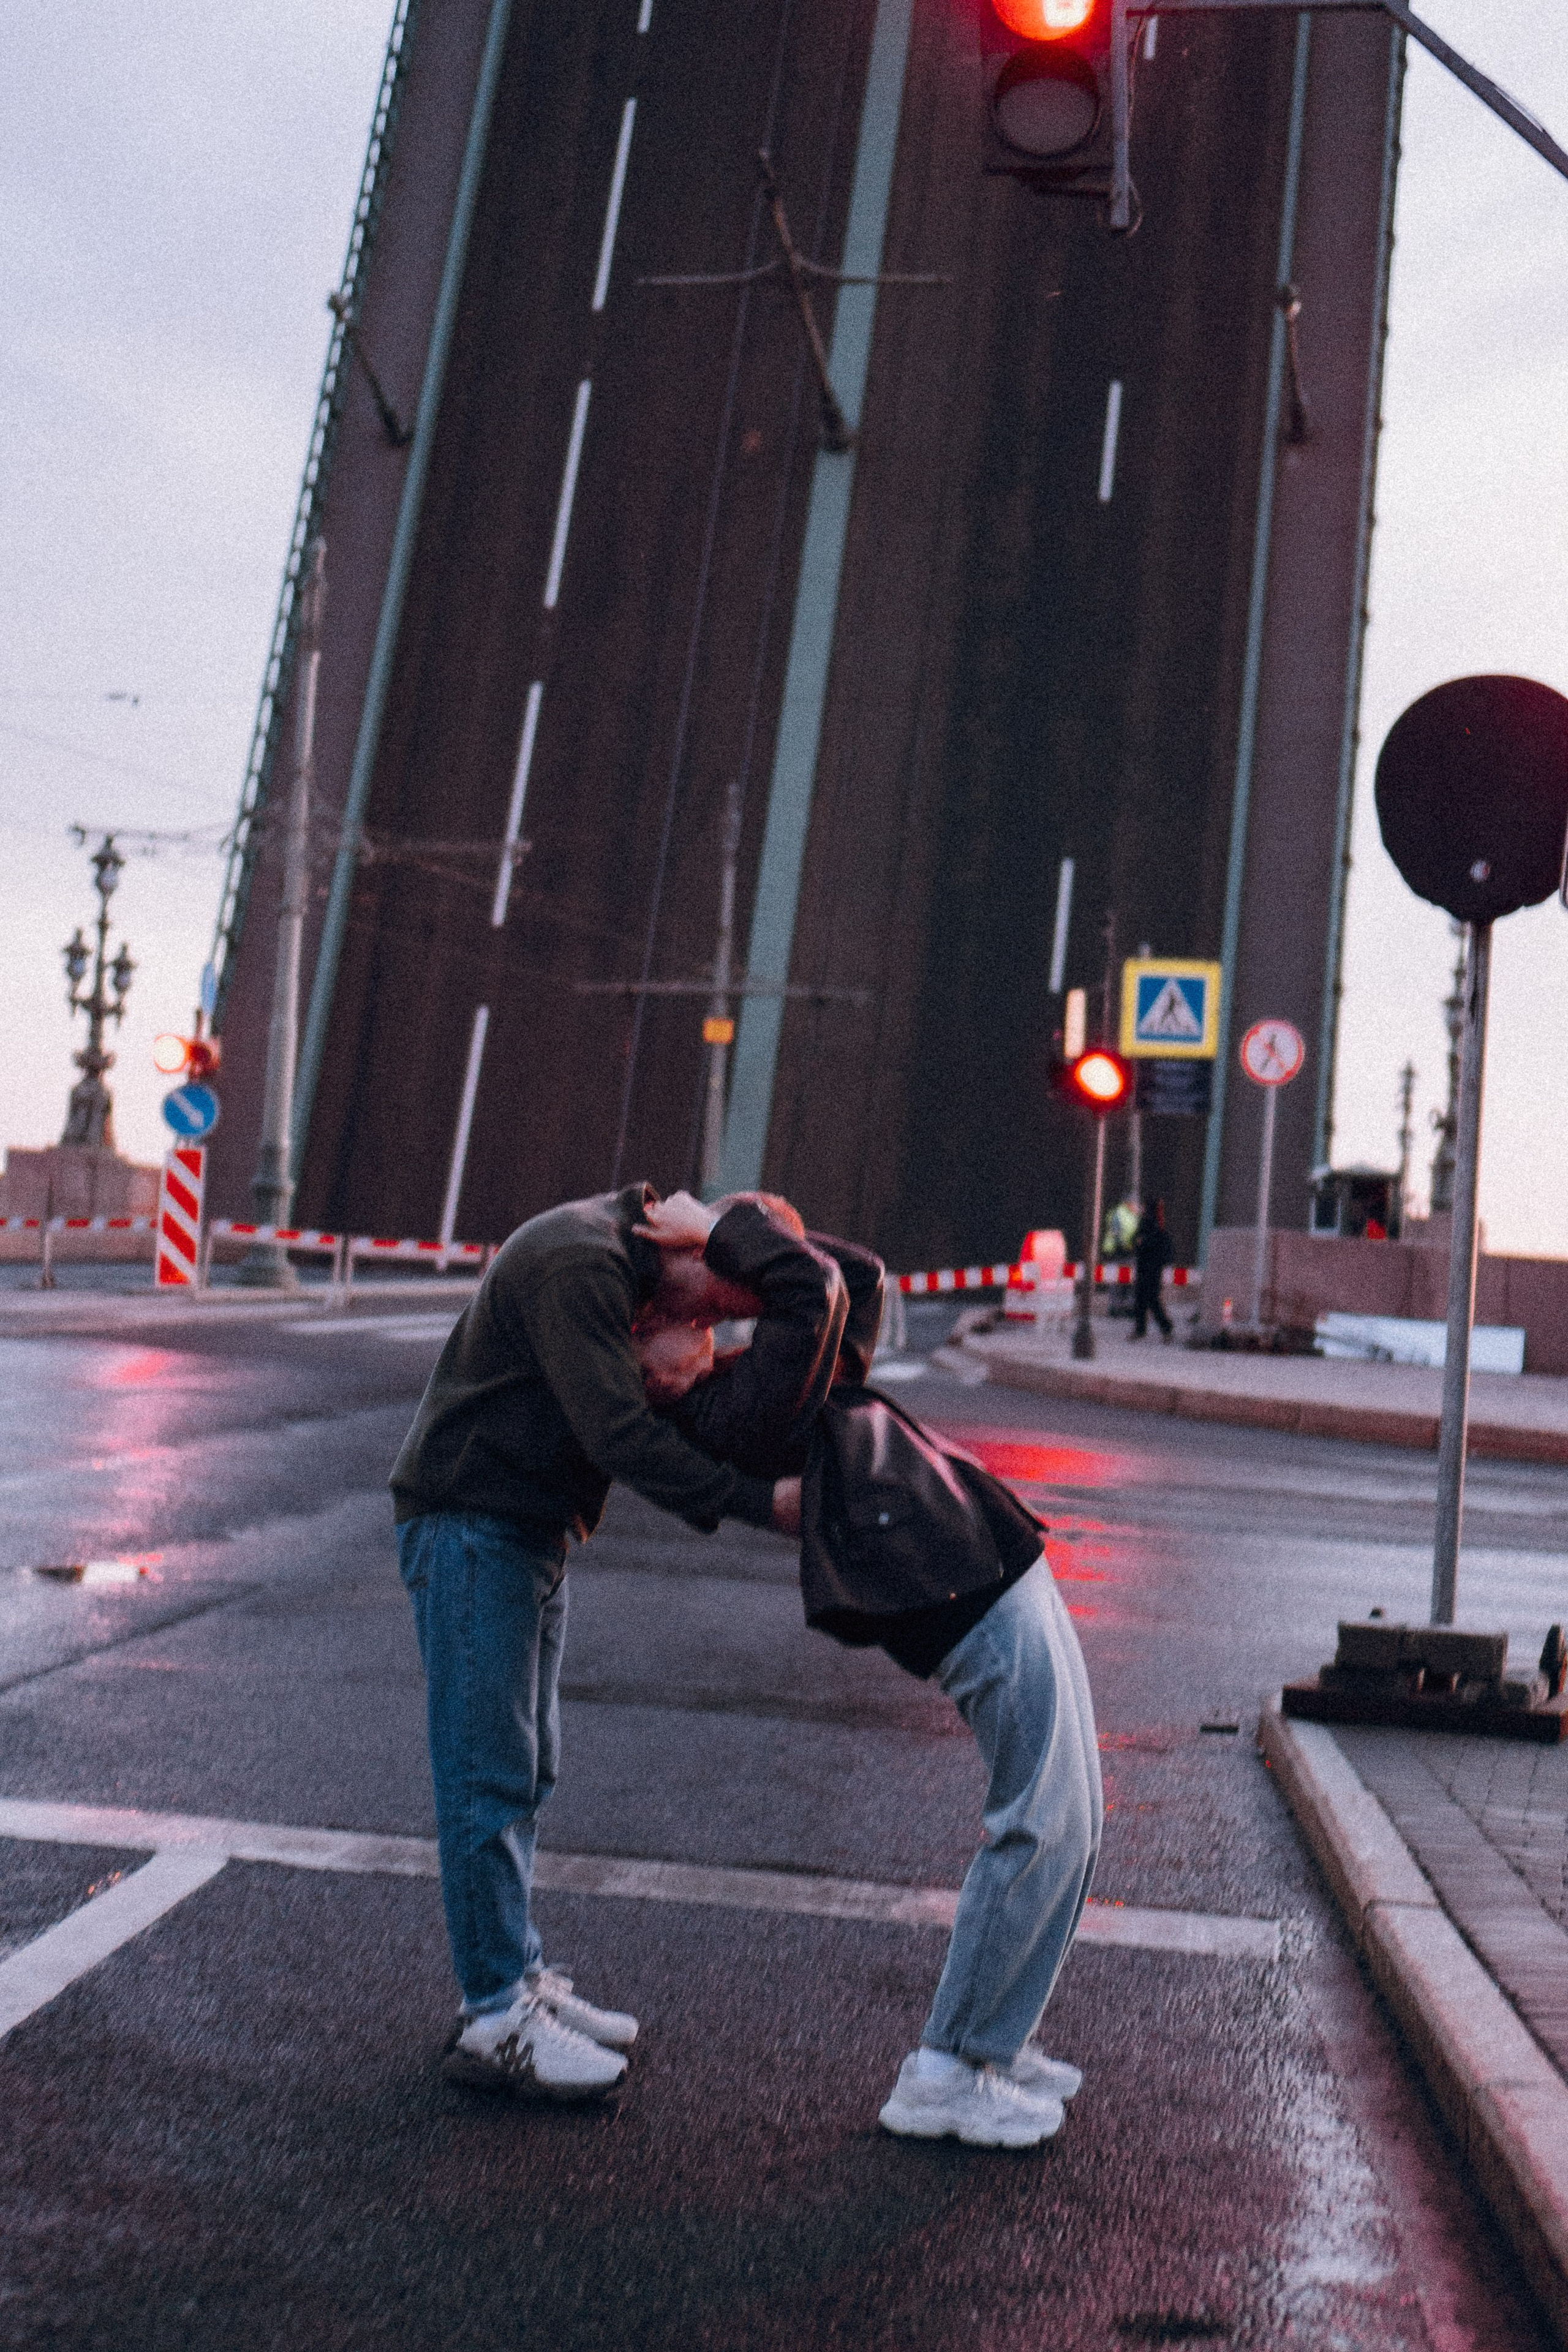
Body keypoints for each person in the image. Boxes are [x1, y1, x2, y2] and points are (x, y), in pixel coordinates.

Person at [638, 1193, 1102, 2152]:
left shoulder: (763, 1376)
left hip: (991, 1566)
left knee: (1074, 1819)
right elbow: (809, 1293)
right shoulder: (732, 1411)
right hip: (963, 1591)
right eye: (657, 1327)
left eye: (691, 1309)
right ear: (638, 1378)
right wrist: (717, 1229)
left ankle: (996, 2045)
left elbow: (854, 1283)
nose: (689, 1317)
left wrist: (747, 1227)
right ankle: (948, 2070)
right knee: (1039, 1823)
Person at [390, 1185, 819, 2103]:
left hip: (530, 1530)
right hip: (473, 1524)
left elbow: (841, 1277)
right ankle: (496, 2013)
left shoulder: (643, 1260)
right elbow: (618, 1434)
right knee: (486, 1774)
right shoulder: (582, 1263)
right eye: (712, 1305)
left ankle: (519, 1972)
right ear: (699, 1252)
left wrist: (745, 1254)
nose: (699, 1328)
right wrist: (757, 1505)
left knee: (529, 1766)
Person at [1130, 1197, 1174, 1341]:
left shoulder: (1152, 1226)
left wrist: (1141, 1244)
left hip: (1149, 1269)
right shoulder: (1156, 1225)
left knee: (1150, 1300)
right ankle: (1142, 1329)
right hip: (1149, 1269)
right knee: (1143, 1300)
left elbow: (1140, 1242)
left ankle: (1164, 1327)